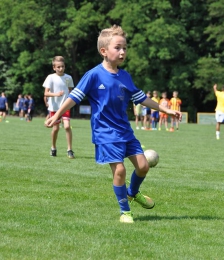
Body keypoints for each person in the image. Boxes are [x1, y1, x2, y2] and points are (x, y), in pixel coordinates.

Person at [45, 25, 181, 224]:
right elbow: (74, 96)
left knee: (143, 167)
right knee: (120, 170)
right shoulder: (93, 75)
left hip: (125, 131)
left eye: (125, 48)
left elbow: (142, 98)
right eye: (118, 47)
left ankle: (133, 192)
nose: (123, 52)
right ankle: (125, 212)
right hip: (104, 133)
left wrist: (165, 109)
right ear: (104, 51)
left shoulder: (125, 76)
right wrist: (57, 114)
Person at [43, 56, 75, 159]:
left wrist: (70, 100)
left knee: (66, 126)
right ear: (54, 67)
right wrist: (56, 94)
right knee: (55, 129)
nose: (61, 69)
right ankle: (53, 147)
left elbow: (71, 91)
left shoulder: (68, 78)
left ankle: (69, 150)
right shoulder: (50, 77)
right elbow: (46, 93)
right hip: (54, 107)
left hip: (65, 106)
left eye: (63, 66)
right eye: (58, 67)